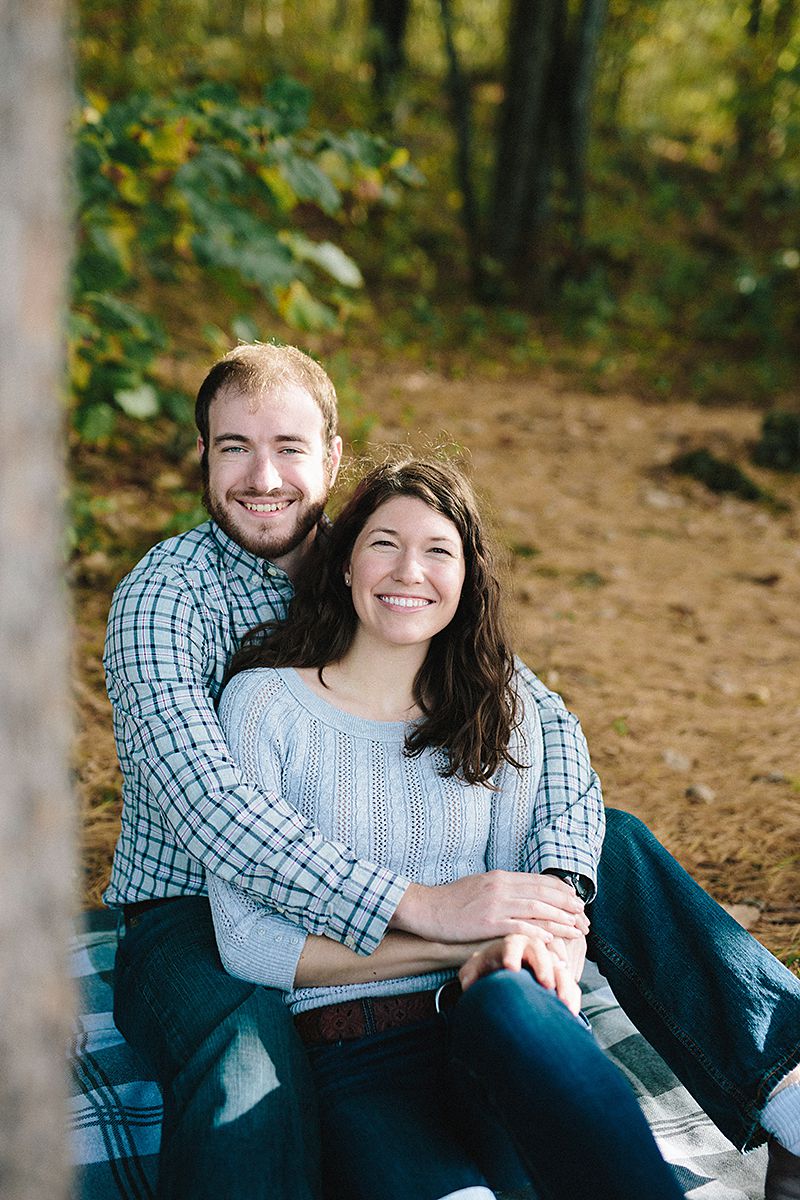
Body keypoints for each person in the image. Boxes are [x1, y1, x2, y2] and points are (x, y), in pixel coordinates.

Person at [103, 341, 800, 1200]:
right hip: (190, 909)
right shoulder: (165, 598)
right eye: (232, 447)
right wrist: (431, 910)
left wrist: (551, 896)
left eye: (288, 447)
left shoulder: (376, 556)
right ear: (203, 456)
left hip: (412, 903)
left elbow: (540, 717)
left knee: (604, 840)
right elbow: (214, 810)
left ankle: (787, 1096)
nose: (262, 476)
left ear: (331, 455)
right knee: (246, 1067)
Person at [207, 456, 687, 1200]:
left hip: (494, 1021)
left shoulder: (499, 708)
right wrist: (454, 933)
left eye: (439, 551)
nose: (409, 571)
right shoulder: (263, 707)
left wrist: (507, 945)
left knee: (508, 1006)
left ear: (465, 582)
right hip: (354, 1059)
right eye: (383, 543)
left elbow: (527, 894)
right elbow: (248, 943)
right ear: (343, 564)